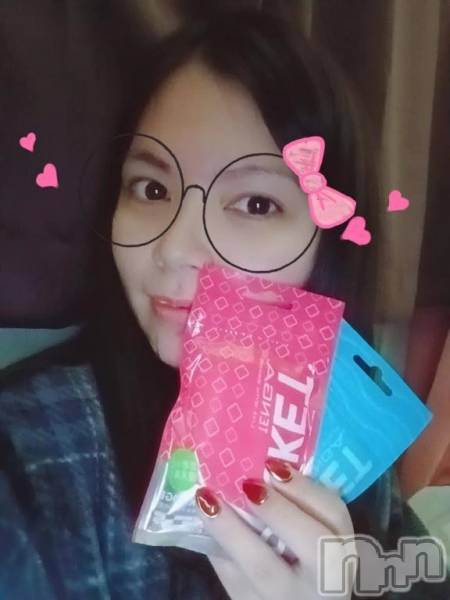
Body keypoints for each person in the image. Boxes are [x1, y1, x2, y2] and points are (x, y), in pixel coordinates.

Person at [1, 8, 448, 599]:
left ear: (328, 240)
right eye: (151, 188)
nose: (173, 249)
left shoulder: (348, 433)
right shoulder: (29, 457)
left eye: (256, 204)